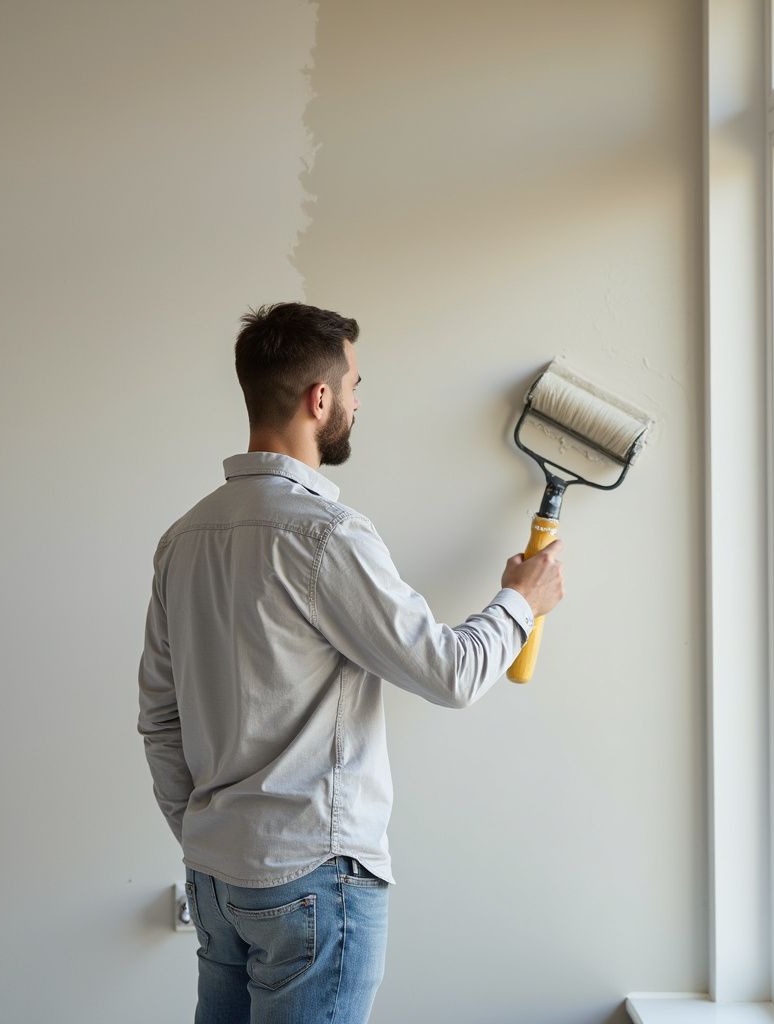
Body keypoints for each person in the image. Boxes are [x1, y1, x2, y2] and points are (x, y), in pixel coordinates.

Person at [137, 301, 565, 1024]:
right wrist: (521, 602)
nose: (358, 403)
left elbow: (159, 719)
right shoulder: (326, 535)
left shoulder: (184, 538)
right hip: (313, 877)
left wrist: (209, 837)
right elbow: (451, 673)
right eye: (355, 385)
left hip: (215, 879)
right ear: (320, 398)